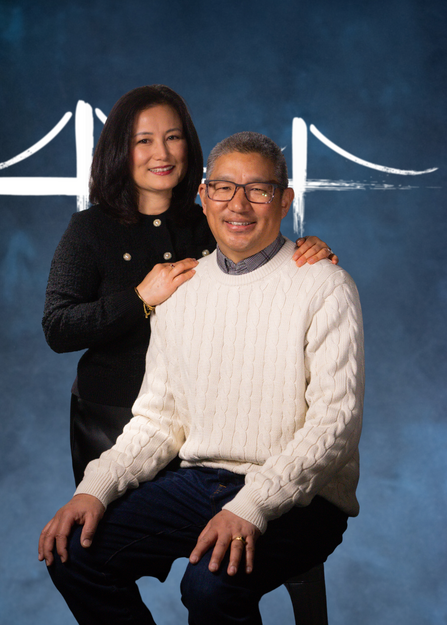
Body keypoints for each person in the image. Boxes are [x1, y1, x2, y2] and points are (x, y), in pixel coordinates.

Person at [39, 131, 365, 625]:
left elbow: (334, 426)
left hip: (304, 497)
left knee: (209, 585)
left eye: (258, 189)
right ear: (204, 197)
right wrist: (94, 489)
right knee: (72, 553)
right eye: (224, 188)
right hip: (199, 482)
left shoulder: (324, 286)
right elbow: (159, 420)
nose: (239, 204)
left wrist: (252, 506)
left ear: (285, 201)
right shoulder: (183, 288)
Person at [42, 85, 339, 485]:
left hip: (202, 417)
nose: (162, 154)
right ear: (119, 150)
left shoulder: (214, 221)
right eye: (144, 141)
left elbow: (266, 266)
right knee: (113, 521)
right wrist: (140, 299)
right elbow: (58, 327)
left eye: (173, 137)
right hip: (111, 414)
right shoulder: (89, 229)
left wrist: (307, 250)